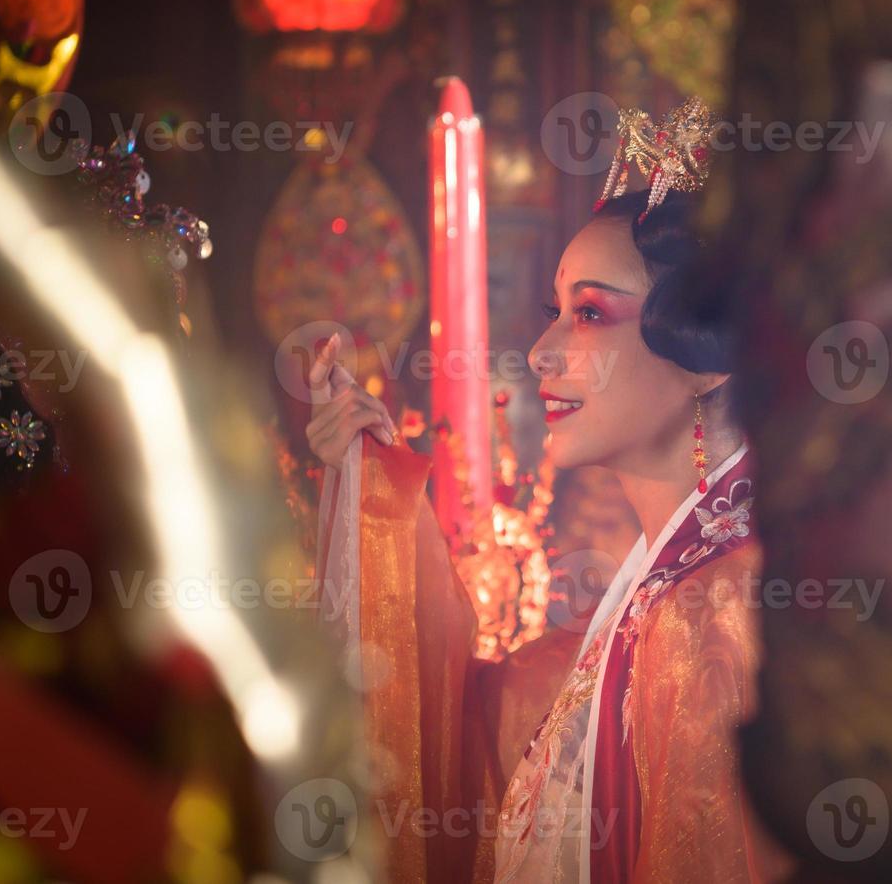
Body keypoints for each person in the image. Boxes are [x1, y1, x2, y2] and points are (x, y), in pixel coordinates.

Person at [306, 99, 781, 882]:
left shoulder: (718, 608)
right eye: (554, 311)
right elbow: (485, 734)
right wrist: (378, 490)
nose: (540, 351)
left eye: (590, 313)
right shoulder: (670, 586)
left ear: (703, 354)